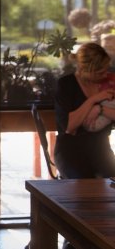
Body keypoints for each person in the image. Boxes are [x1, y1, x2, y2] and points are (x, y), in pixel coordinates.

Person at [54, 42, 115, 179]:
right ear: (84, 69)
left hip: (101, 147)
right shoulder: (66, 84)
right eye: (99, 72)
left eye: (106, 70)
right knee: (82, 182)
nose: (105, 74)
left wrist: (100, 109)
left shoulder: (109, 82)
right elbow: (69, 127)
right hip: (71, 149)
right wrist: (93, 100)